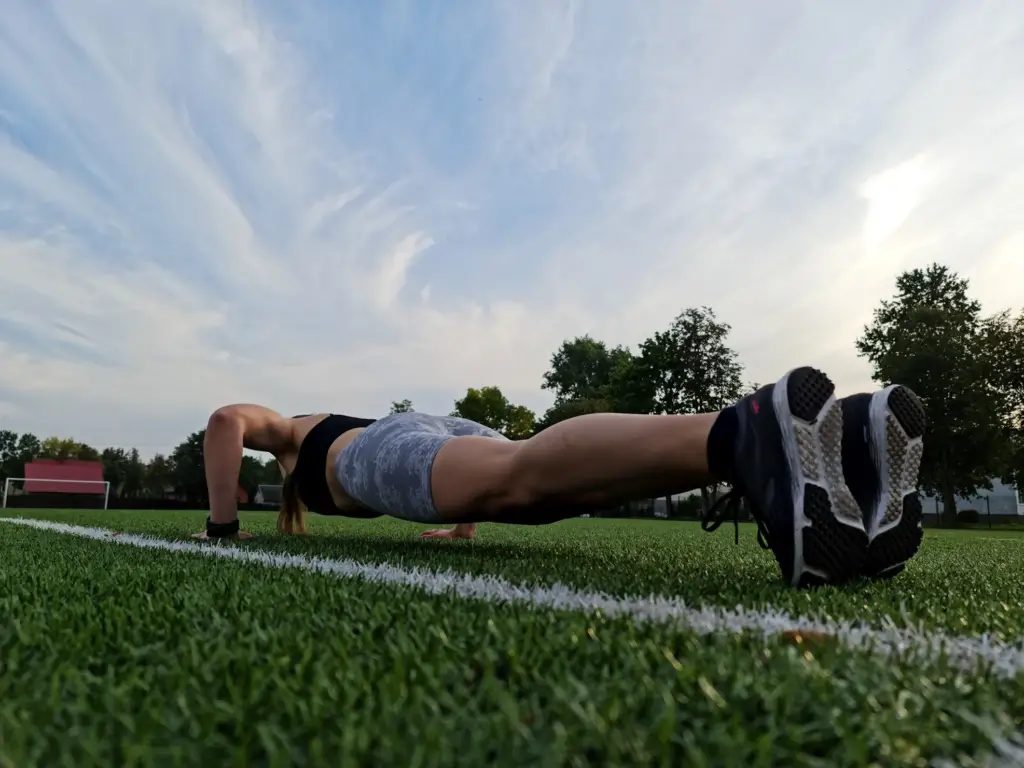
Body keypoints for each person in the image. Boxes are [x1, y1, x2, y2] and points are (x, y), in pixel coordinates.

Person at [194, 366, 925, 587]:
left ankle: (744, 433)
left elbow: (226, 420)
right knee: (538, 490)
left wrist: (220, 527)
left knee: (519, 473)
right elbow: (449, 458)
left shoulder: (296, 433)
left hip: (382, 448)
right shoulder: (306, 466)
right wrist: (463, 518)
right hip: (428, 435)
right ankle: (845, 461)